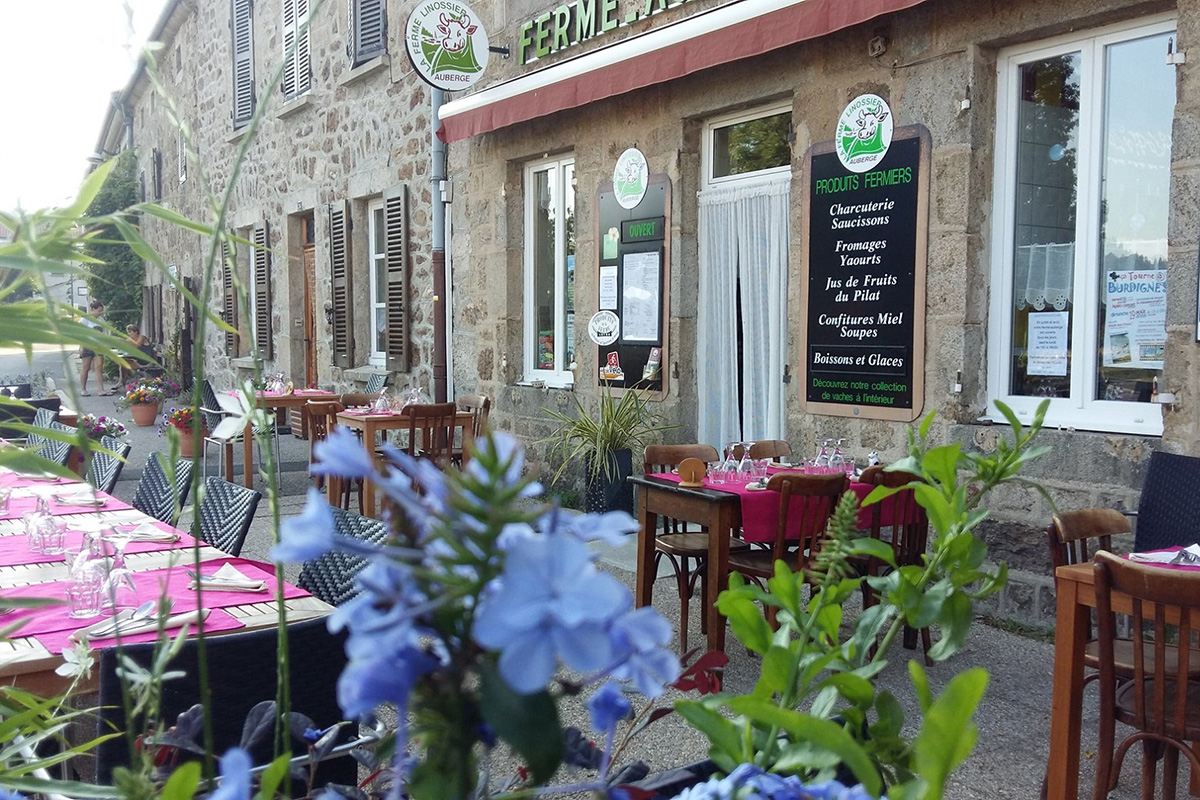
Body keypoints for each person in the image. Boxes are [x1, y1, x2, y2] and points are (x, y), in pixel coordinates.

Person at [79, 300, 113, 396]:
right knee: (86, 367)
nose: (100, 313)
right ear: (92, 309)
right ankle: (83, 389)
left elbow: (105, 333)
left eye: (101, 311)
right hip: (87, 345)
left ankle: (101, 389)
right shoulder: (84, 320)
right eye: (99, 310)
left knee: (98, 367)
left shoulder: (101, 320)